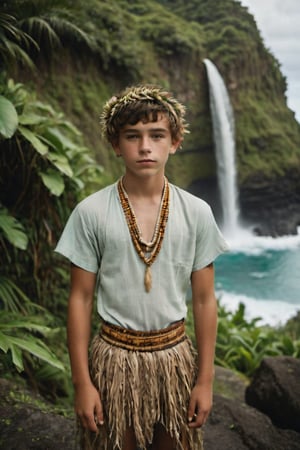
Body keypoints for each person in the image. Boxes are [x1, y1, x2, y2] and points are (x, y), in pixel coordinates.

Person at [55, 85, 229, 450]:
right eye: (132, 136)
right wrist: (83, 383)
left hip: (175, 357)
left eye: (157, 135)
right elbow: (81, 299)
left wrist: (205, 381)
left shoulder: (196, 212)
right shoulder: (91, 212)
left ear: (175, 141)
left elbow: (203, 300)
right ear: (116, 144)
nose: (145, 146)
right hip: (113, 359)